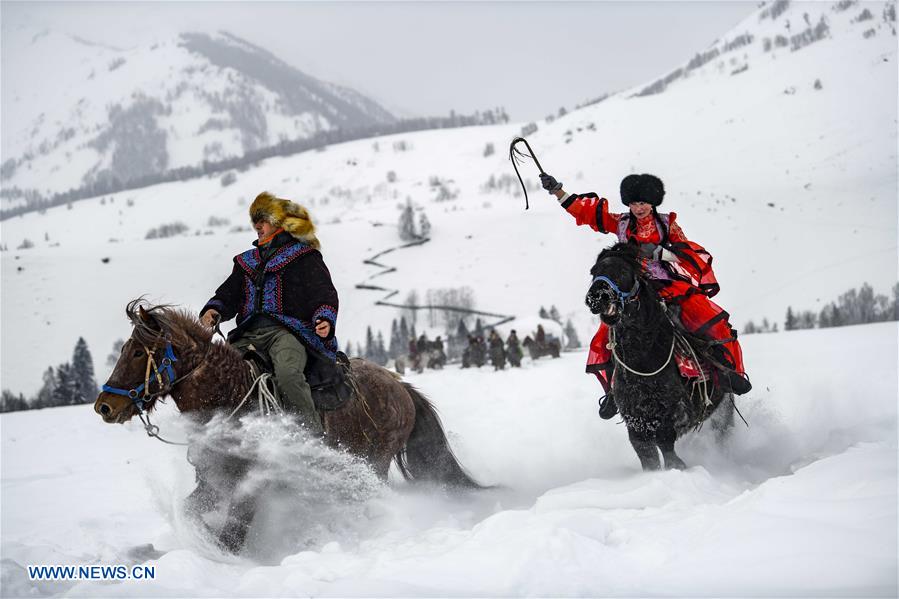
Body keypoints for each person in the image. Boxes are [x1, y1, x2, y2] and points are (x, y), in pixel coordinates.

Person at [539, 171, 751, 419]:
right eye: (633, 203)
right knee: (606, 337)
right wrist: (558, 191)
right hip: (632, 290)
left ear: (653, 202)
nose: (638, 208)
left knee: (708, 321)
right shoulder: (620, 222)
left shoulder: (667, 224)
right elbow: (587, 213)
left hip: (666, 286)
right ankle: (614, 391)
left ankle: (725, 373)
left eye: (643, 203)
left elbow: (688, 253)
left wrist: (662, 253)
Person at [200, 192, 338, 434]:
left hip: (288, 333)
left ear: (280, 224)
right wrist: (214, 309)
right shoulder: (245, 262)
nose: (257, 226)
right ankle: (214, 437)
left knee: (288, 375)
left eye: (263, 220)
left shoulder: (305, 257)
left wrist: (324, 318)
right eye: (255, 221)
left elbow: (324, 294)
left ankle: (311, 437)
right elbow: (228, 294)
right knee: (214, 374)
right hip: (246, 336)